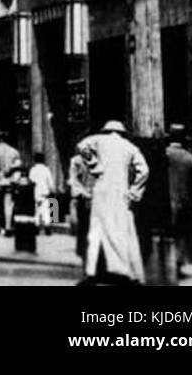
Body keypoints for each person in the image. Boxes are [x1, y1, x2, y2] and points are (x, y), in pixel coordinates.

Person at [75, 120, 149, 285]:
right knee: (121, 230)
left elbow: (81, 146)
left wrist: (95, 165)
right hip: (120, 191)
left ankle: (91, 272)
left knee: (96, 231)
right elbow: (144, 170)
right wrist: (134, 192)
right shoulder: (129, 147)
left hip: (101, 190)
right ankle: (126, 272)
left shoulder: (97, 140)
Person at [163, 124, 192, 279]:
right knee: (181, 235)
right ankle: (178, 263)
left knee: (164, 235)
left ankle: (165, 266)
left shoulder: (163, 155)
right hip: (183, 203)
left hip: (163, 202)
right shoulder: (190, 159)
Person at [29, 152, 55, 236]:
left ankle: (36, 226)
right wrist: (52, 189)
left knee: (36, 211)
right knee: (46, 210)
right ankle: (47, 226)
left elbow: (31, 181)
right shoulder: (46, 169)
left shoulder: (33, 170)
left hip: (36, 192)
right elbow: (50, 182)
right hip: (45, 193)